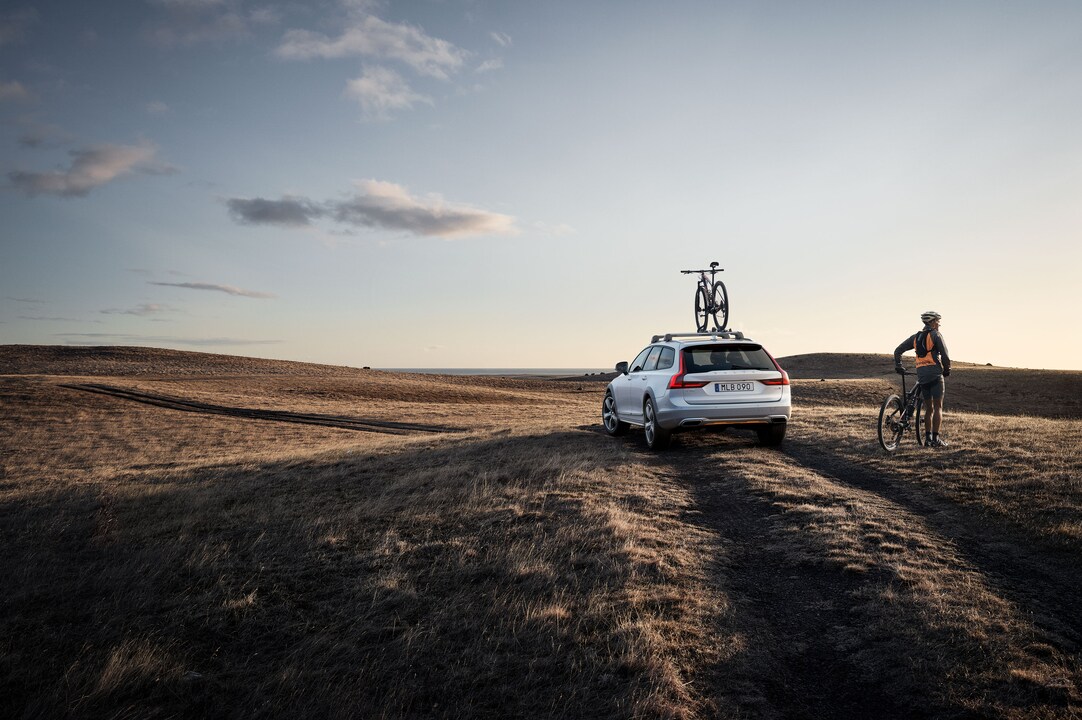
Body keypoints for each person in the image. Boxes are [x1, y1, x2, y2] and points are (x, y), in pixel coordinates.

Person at [894, 311, 952, 447]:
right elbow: (945, 356)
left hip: (922, 375)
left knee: (929, 408)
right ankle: (935, 439)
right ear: (932, 322)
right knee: (938, 407)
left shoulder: (915, 337)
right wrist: (947, 370)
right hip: (935, 374)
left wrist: (899, 365)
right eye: (937, 321)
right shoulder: (936, 335)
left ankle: (927, 439)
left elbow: (898, 350)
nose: (939, 324)